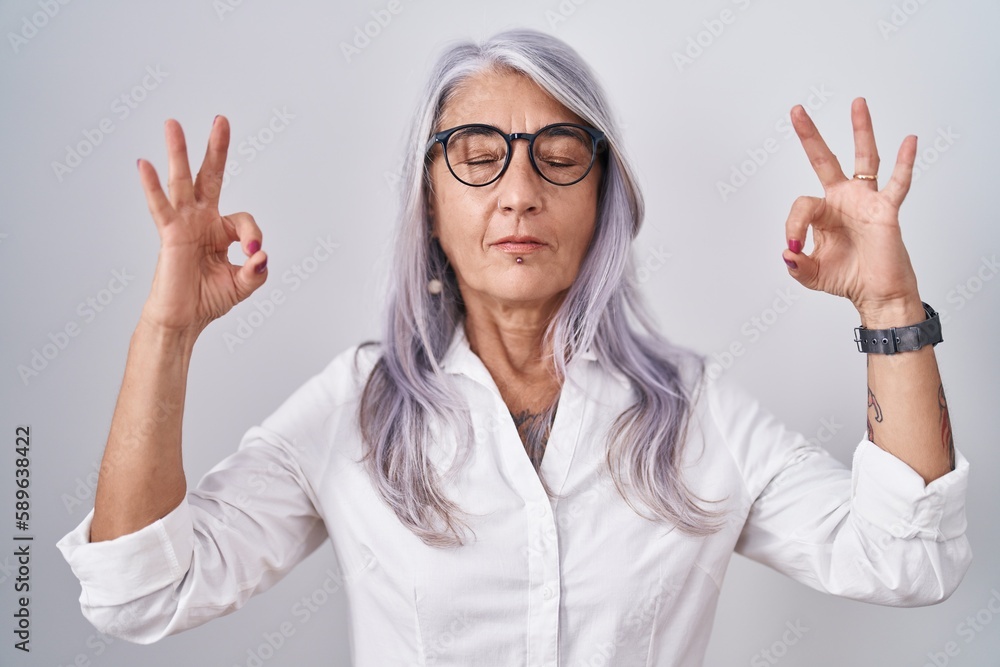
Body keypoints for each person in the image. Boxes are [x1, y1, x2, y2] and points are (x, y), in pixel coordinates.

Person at [57, 28, 970, 666]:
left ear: (604, 192)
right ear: (429, 198)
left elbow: (907, 558)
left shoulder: (698, 413)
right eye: (478, 151)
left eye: (558, 151)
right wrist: (167, 331)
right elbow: (141, 591)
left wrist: (888, 299)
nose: (519, 190)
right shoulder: (355, 407)